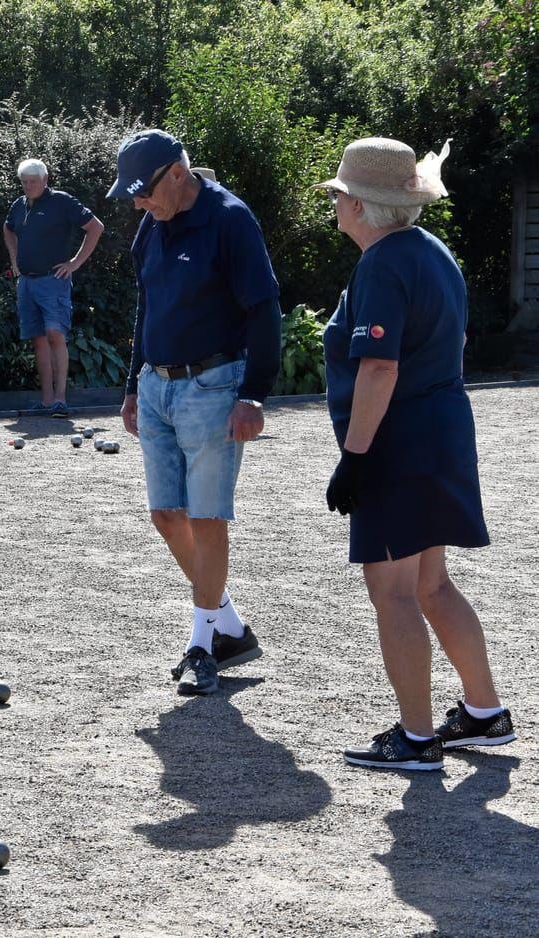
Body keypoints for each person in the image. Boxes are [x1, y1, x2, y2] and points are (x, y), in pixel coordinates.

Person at [317, 137, 515, 771]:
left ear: (359, 205)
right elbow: (452, 344)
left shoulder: (382, 264)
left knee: (395, 592)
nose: (336, 207)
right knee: (430, 583)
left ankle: (417, 737)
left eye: (340, 197)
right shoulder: (434, 253)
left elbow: (378, 366)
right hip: (441, 430)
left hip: (397, 440)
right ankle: (484, 714)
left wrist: (355, 456)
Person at [109, 129, 282, 696]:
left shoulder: (231, 220)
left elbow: (263, 308)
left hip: (213, 385)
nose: (137, 202)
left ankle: (202, 645)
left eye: (143, 192)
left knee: (208, 519)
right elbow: (147, 308)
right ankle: (227, 623)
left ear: (177, 175)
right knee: (166, 515)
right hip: (155, 387)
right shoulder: (150, 227)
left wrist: (254, 393)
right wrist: (135, 385)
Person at [3, 158, 105, 418]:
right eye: (24, 182)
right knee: (38, 338)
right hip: (26, 282)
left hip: (53, 281)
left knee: (54, 334)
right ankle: (47, 402)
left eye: (33, 182)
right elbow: (8, 228)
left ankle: (61, 400)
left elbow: (95, 227)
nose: (27, 186)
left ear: (45, 180)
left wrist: (75, 263)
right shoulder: (19, 204)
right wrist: (14, 259)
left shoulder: (61, 201)